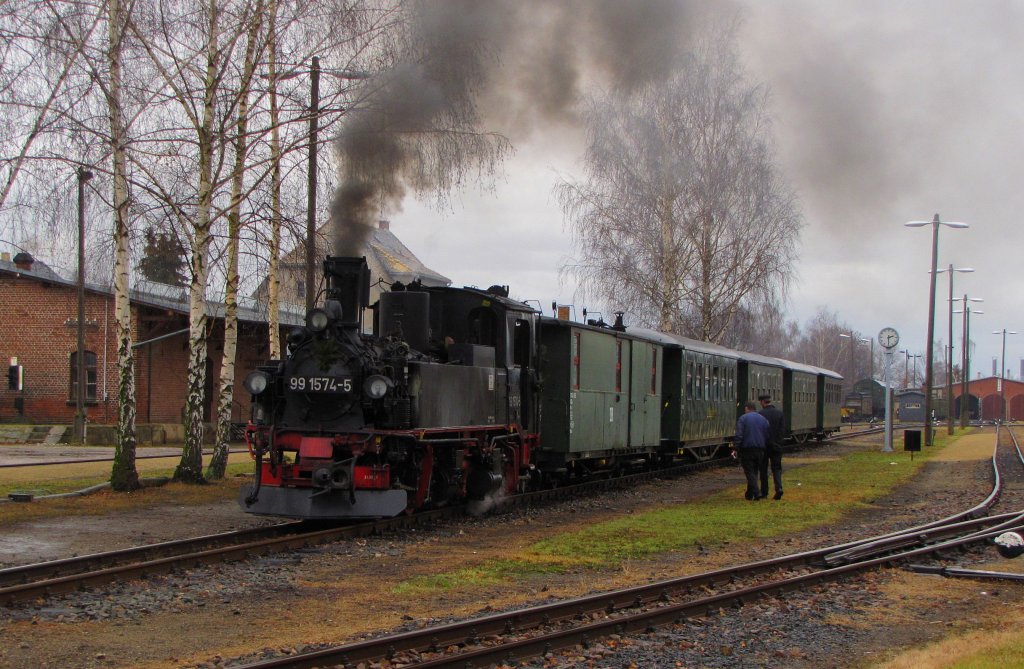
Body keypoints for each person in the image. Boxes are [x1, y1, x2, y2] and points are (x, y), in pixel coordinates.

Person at [733, 400, 769, 501]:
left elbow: (739, 434)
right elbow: (767, 433)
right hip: (760, 449)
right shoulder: (763, 419)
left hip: (747, 448)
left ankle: (756, 493)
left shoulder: (743, 418)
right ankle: (749, 494)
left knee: (749, 471)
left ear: (747, 408)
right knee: (755, 471)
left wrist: (735, 448)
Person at [758, 394, 785, 500]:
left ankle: (764, 492)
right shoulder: (780, 414)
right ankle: (779, 488)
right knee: (777, 468)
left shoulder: (760, 414)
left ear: (762, 402)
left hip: (764, 446)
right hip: (777, 446)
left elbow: (760, 431)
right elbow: (782, 431)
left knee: (763, 469)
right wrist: (778, 442)